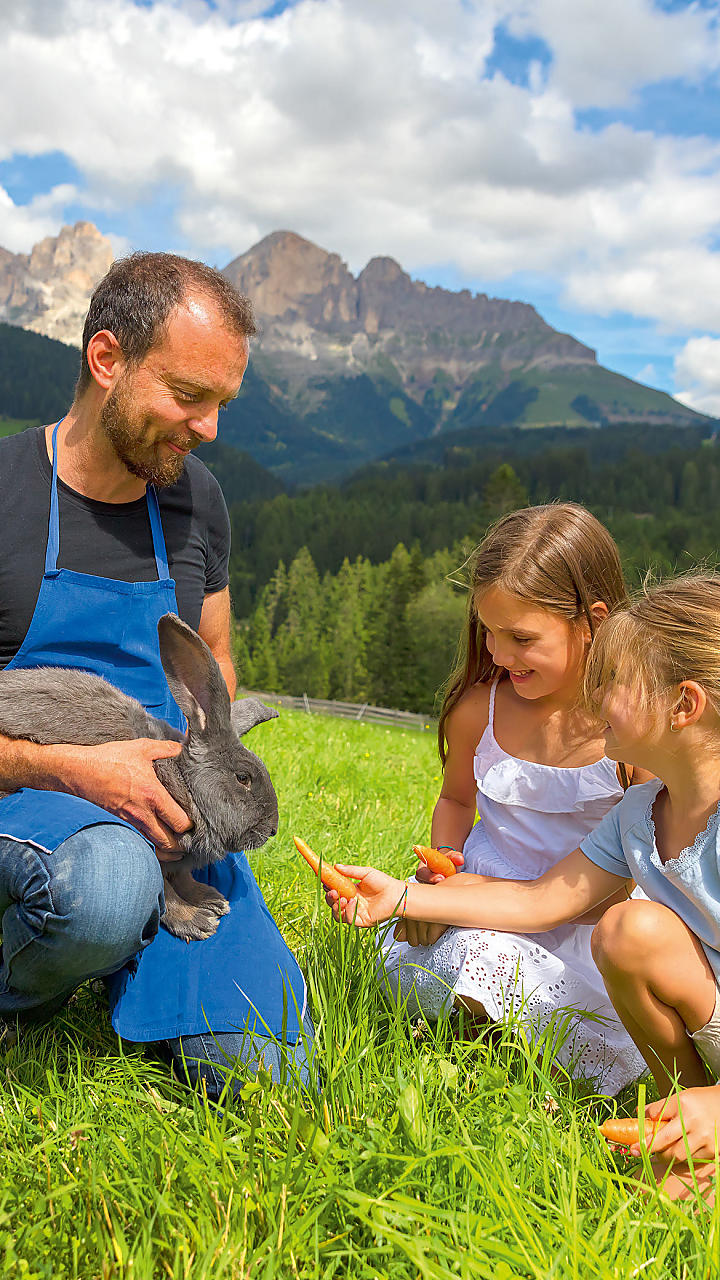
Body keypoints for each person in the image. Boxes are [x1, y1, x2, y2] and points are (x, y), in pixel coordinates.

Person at [0, 252, 312, 1098]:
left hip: (166, 805)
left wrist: (196, 778)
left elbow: (214, 661)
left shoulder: (194, 497)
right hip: (26, 790)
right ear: (107, 361)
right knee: (105, 890)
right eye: (188, 396)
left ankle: (129, 950)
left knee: (268, 1077)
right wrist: (71, 767)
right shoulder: (6, 496)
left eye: (222, 404)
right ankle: (23, 979)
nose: (208, 427)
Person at [329, 572, 720, 1201]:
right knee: (630, 932)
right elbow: (541, 899)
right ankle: (684, 1109)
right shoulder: (640, 814)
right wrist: (401, 897)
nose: (598, 695)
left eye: (615, 682)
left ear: (683, 706)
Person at [365, 505, 647, 1092]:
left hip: (584, 916)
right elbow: (457, 801)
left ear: (592, 621)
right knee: (451, 961)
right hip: (476, 901)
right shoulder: (481, 708)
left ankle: (496, 1056)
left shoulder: (629, 731)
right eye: (487, 632)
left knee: (530, 989)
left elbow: (637, 871)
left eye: (521, 638)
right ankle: (475, 1054)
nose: (497, 653)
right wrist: (440, 873)